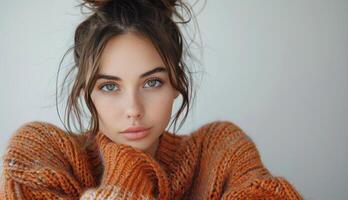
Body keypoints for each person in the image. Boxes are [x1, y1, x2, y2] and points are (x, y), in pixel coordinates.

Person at [0, 0, 303, 199]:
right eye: (109, 87)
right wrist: (128, 167)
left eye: (152, 82)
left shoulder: (219, 150)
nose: (133, 109)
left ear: (176, 84)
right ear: (85, 93)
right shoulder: (42, 151)